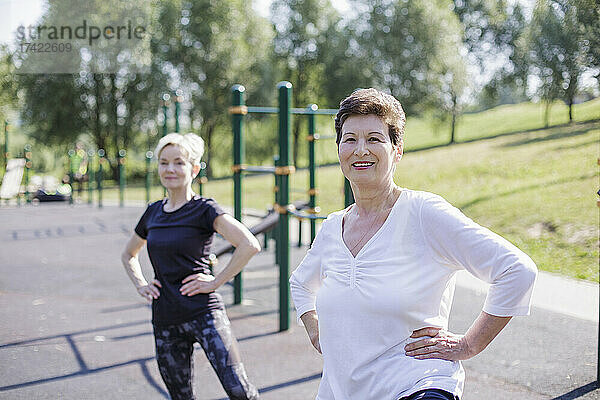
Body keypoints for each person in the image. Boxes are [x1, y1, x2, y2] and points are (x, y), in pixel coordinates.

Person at [289, 89, 537, 400]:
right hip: (341, 392)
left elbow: (517, 270)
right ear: (339, 149)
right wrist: (315, 330)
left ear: (397, 150)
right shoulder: (332, 228)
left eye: (375, 139)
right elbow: (300, 284)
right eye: (350, 139)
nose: (360, 150)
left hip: (418, 385)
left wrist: (468, 345)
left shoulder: (424, 213)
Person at [122, 132, 260, 400]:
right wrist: (141, 284)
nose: (170, 169)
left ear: (194, 169)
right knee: (181, 396)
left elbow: (249, 244)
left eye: (178, 162)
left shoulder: (205, 209)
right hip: (165, 318)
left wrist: (215, 281)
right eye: (164, 163)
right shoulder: (153, 212)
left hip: (204, 312)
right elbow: (129, 254)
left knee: (239, 390)